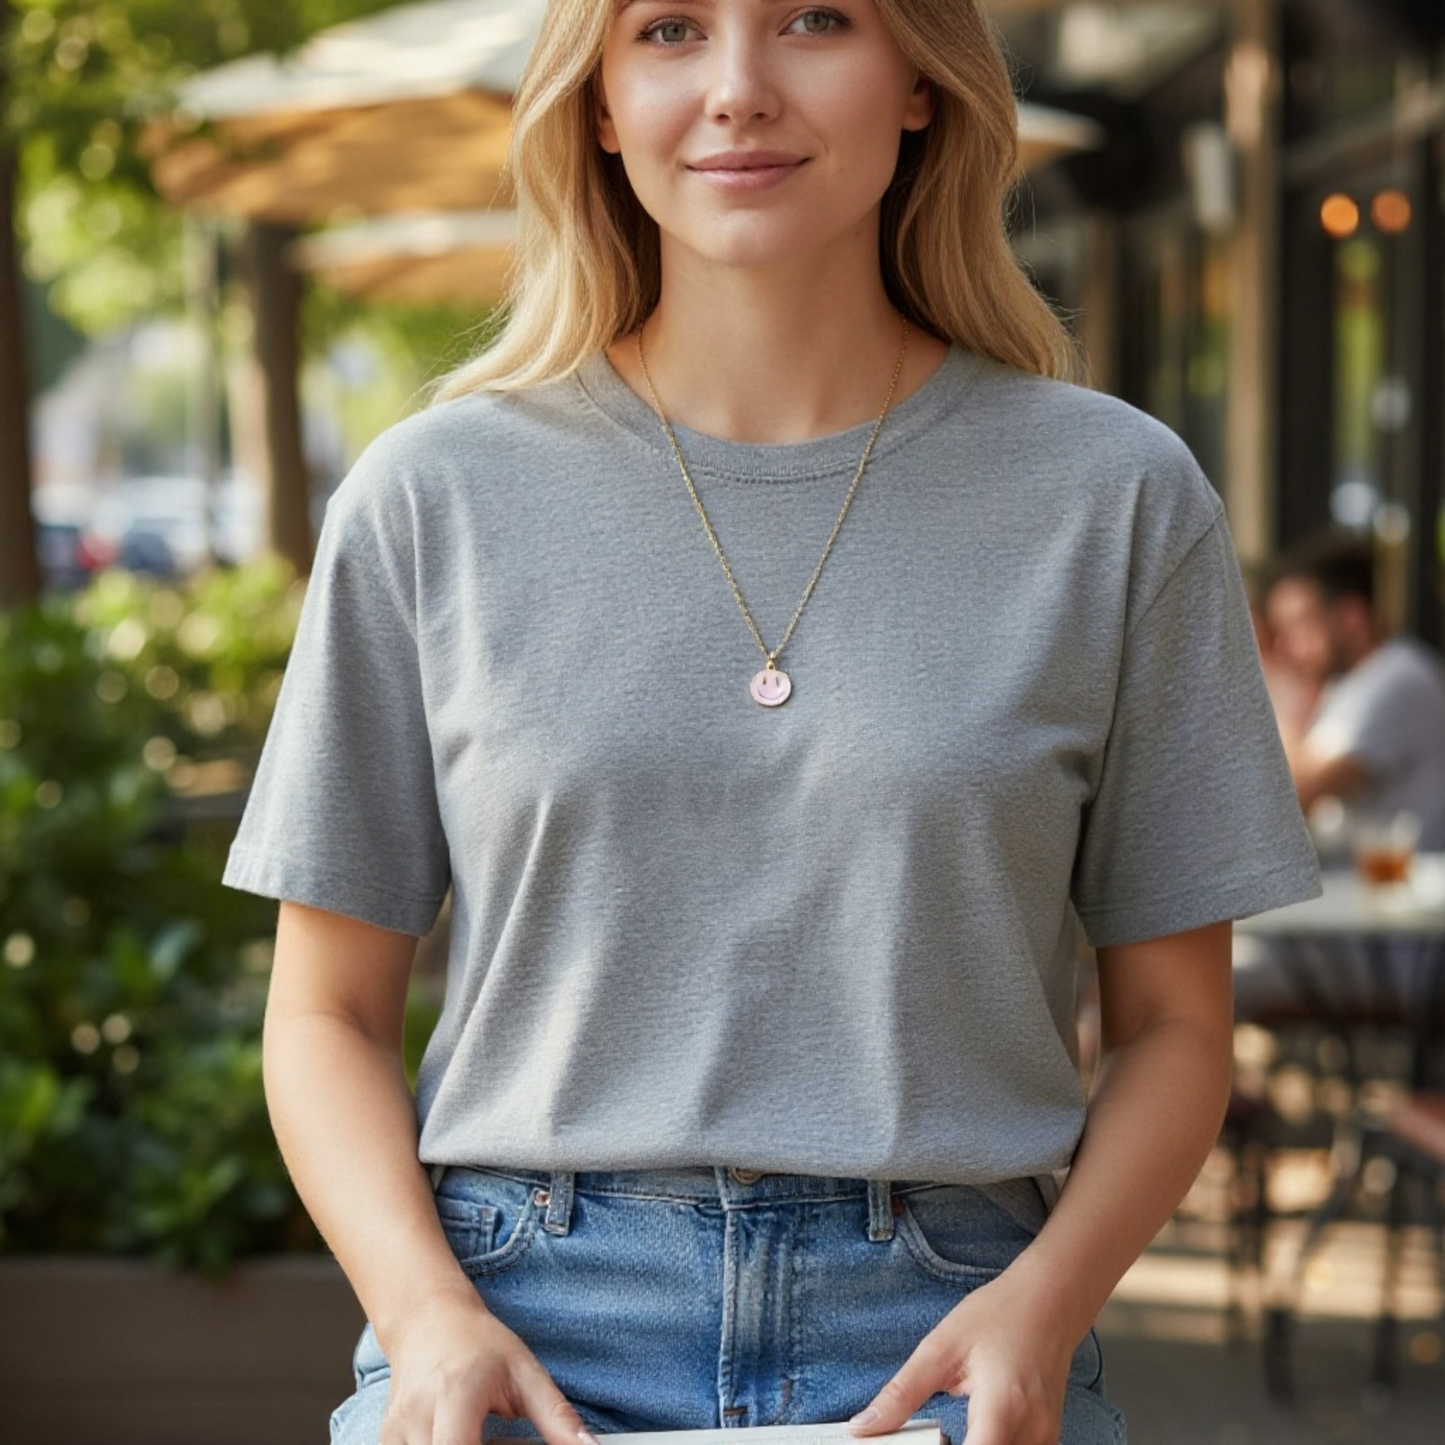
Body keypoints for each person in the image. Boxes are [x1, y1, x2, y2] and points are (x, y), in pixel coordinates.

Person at [222, 3, 1319, 1443]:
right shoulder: (431, 499)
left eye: (815, 19)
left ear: (920, 83)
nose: (738, 90)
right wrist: (426, 1318)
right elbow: (323, 1012)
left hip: (946, 1325)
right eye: (670, 29)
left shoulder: (1112, 495)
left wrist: (1043, 1305)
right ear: (599, 106)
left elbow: (1176, 1024)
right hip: (515, 1322)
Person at [1262, 533, 1445, 853]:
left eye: (1299, 624)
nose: (1285, 647)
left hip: (1398, 896)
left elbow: (1286, 796)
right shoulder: (1346, 683)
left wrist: (1283, 698)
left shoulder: (1397, 678)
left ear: (1351, 617)